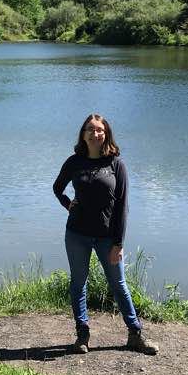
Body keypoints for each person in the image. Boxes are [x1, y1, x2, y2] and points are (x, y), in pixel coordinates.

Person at [52, 113, 158, 356]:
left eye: (99, 129)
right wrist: (68, 203)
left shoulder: (116, 164)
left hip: (107, 237)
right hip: (76, 234)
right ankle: (82, 334)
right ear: (83, 134)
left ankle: (135, 333)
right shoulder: (74, 162)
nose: (94, 133)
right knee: (78, 283)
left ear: (106, 134)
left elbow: (122, 206)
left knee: (118, 284)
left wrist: (118, 243)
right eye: (90, 129)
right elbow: (57, 188)